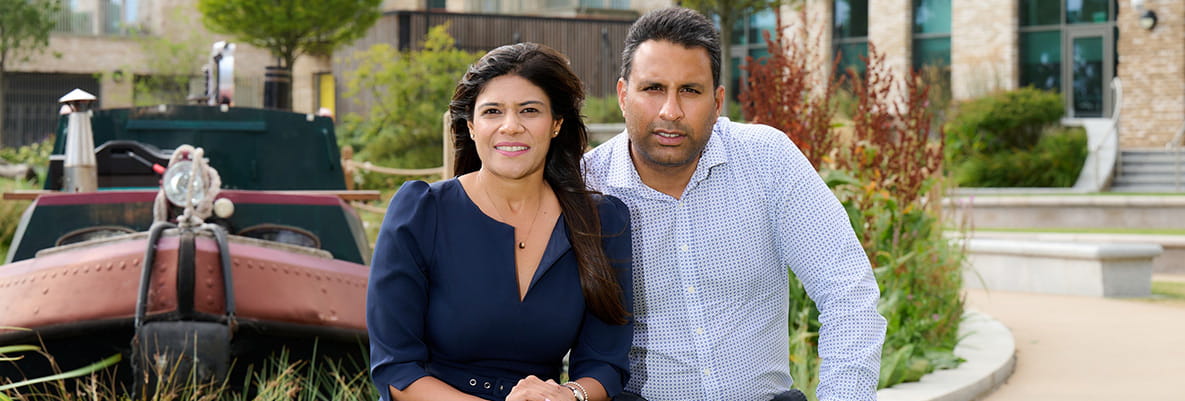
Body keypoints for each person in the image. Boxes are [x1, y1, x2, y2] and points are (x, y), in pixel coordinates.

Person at [581, 7, 887, 401]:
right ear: (624, 95)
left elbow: (847, 290)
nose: (670, 111)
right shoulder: (586, 187)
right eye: (653, 88)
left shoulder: (767, 159)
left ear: (718, 100)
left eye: (690, 90)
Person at [367, 43, 634, 401]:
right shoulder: (421, 212)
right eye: (493, 111)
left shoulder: (602, 221)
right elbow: (395, 367)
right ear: (472, 126)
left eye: (529, 110)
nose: (511, 126)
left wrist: (568, 396)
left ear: (556, 124)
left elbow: (606, 362)